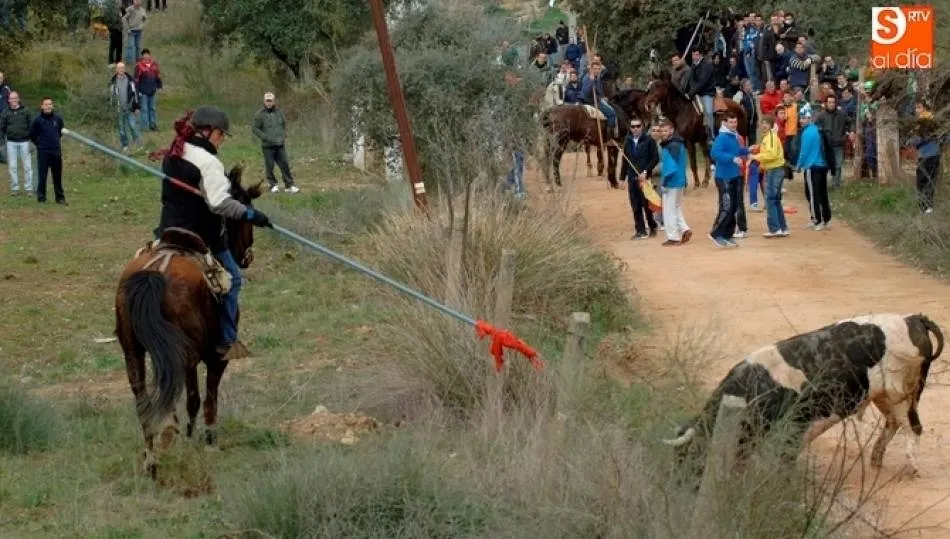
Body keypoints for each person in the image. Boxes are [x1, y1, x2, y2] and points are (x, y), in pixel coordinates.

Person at [156, 106, 273, 361]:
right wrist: (250, 214)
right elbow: (219, 203)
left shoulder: (174, 152)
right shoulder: (209, 162)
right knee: (233, 278)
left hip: (168, 229)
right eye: (221, 135)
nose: (221, 141)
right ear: (210, 132)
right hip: (202, 234)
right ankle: (227, 340)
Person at [708, 111, 749, 248]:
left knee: (733, 207)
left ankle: (727, 235)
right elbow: (715, 153)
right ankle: (715, 233)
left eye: (735, 122)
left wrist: (748, 150)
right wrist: (732, 159)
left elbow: (736, 151)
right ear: (725, 123)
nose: (734, 124)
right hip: (724, 176)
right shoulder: (722, 137)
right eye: (731, 122)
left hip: (735, 175)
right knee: (726, 206)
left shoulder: (734, 136)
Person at [251, 92, 299, 194]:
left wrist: (284, 134)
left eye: (270, 101)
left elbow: (284, 123)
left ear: (274, 101)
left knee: (285, 164)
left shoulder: (279, 112)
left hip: (280, 144)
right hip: (267, 146)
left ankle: (289, 185)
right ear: (264, 101)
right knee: (270, 166)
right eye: (267, 101)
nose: (269, 103)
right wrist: (264, 136)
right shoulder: (259, 114)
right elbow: (254, 128)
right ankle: (273, 185)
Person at [749, 114, 788, 237]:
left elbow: (771, 155)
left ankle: (774, 229)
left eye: (766, 123)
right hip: (774, 169)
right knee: (775, 200)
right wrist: (762, 163)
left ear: (771, 125)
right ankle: (782, 227)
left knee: (770, 199)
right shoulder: (768, 137)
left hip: (774, 170)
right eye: (762, 123)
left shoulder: (770, 137)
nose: (764, 125)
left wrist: (755, 157)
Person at [621, 118, 659, 239]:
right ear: (630, 128)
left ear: (642, 127)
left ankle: (652, 226)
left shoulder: (649, 141)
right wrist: (622, 178)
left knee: (647, 204)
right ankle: (640, 230)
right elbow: (625, 161)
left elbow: (655, 158)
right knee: (635, 205)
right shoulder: (628, 141)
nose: (635, 129)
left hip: (644, 178)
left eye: (638, 126)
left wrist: (646, 171)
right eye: (633, 127)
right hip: (632, 177)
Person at [796, 108, 834, 230]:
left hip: (812, 167)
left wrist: (798, 165)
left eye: (804, 118)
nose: (802, 121)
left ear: (810, 119)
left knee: (812, 194)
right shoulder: (818, 130)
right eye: (801, 118)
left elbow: (803, 152)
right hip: (822, 166)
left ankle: (816, 219)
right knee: (823, 193)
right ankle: (826, 218)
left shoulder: (806, 133)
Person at [906, 101, 946, 215]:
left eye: (919, 107)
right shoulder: (930, 120)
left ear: (925, 108)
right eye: (916, 108)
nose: (916, 110)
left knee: (923, 181)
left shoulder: (926, 120)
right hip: (931, 154)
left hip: (929, 154)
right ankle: (926, 207)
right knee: (927, 181)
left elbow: (920, 138)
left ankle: (926, 207)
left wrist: (911, 141)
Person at [657, 118, 691, 246]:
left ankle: (673, 237)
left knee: (668, 210)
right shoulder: (678, 143)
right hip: (680, 180)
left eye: (666, 130)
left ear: (671, 130)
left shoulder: (671, 146)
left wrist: (665, 182)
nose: (663, 133)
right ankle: (685, 229)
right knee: (676, 207)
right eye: (662, 131)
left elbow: (670, 167)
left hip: (671, 182)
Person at [29, 97, 66, 205]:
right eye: (45, 104)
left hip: (56, 151)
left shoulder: (58, 119)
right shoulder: (37, 120)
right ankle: (41, 198)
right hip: (43, 152)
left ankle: (60, 198)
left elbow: (60, 132)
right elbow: (32, 135)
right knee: (42, 176)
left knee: (57, 176)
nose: (48, 106)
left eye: (50, 104)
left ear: (52, 106)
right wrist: (40, 144)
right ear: (41, 106)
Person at [0, 91, 34, 195]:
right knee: (12, 167)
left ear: (18, 99)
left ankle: (29, 188)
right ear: (9, 100)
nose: (13, 100)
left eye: (15, 98)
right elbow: (2, 128)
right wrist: (1, 142)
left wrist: (31, 139)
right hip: (10, 143)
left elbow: (31, 126)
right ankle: (15, 188)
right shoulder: (5, 113)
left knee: (27, 166)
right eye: (11, 98)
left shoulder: (26, 111)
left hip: (25, 142)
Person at [134, 48, 162, 130]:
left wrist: (159, 85)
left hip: (152, 91)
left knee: (152, 109)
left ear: (150, 55)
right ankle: (145, 127)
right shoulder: (138, 66)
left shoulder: (154, 65)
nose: (146, 56)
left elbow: (158, 75)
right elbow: (136, 80)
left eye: (147, 54)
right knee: (144, 109)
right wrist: (137, 91)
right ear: (142, 56)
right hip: (143, 91)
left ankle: (153, 125)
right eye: (144, 55)